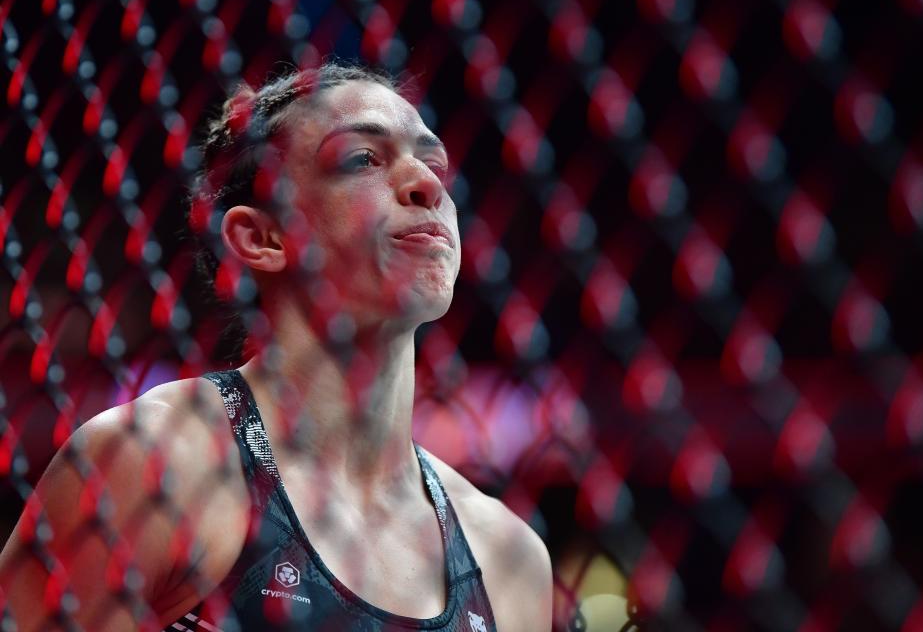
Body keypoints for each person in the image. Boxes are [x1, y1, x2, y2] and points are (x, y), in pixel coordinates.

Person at [0, 62, 552, 631]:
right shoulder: (160, 461)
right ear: (262, 237)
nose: (428, 184)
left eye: (434, 164)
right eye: (362, 158)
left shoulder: (509, 557)